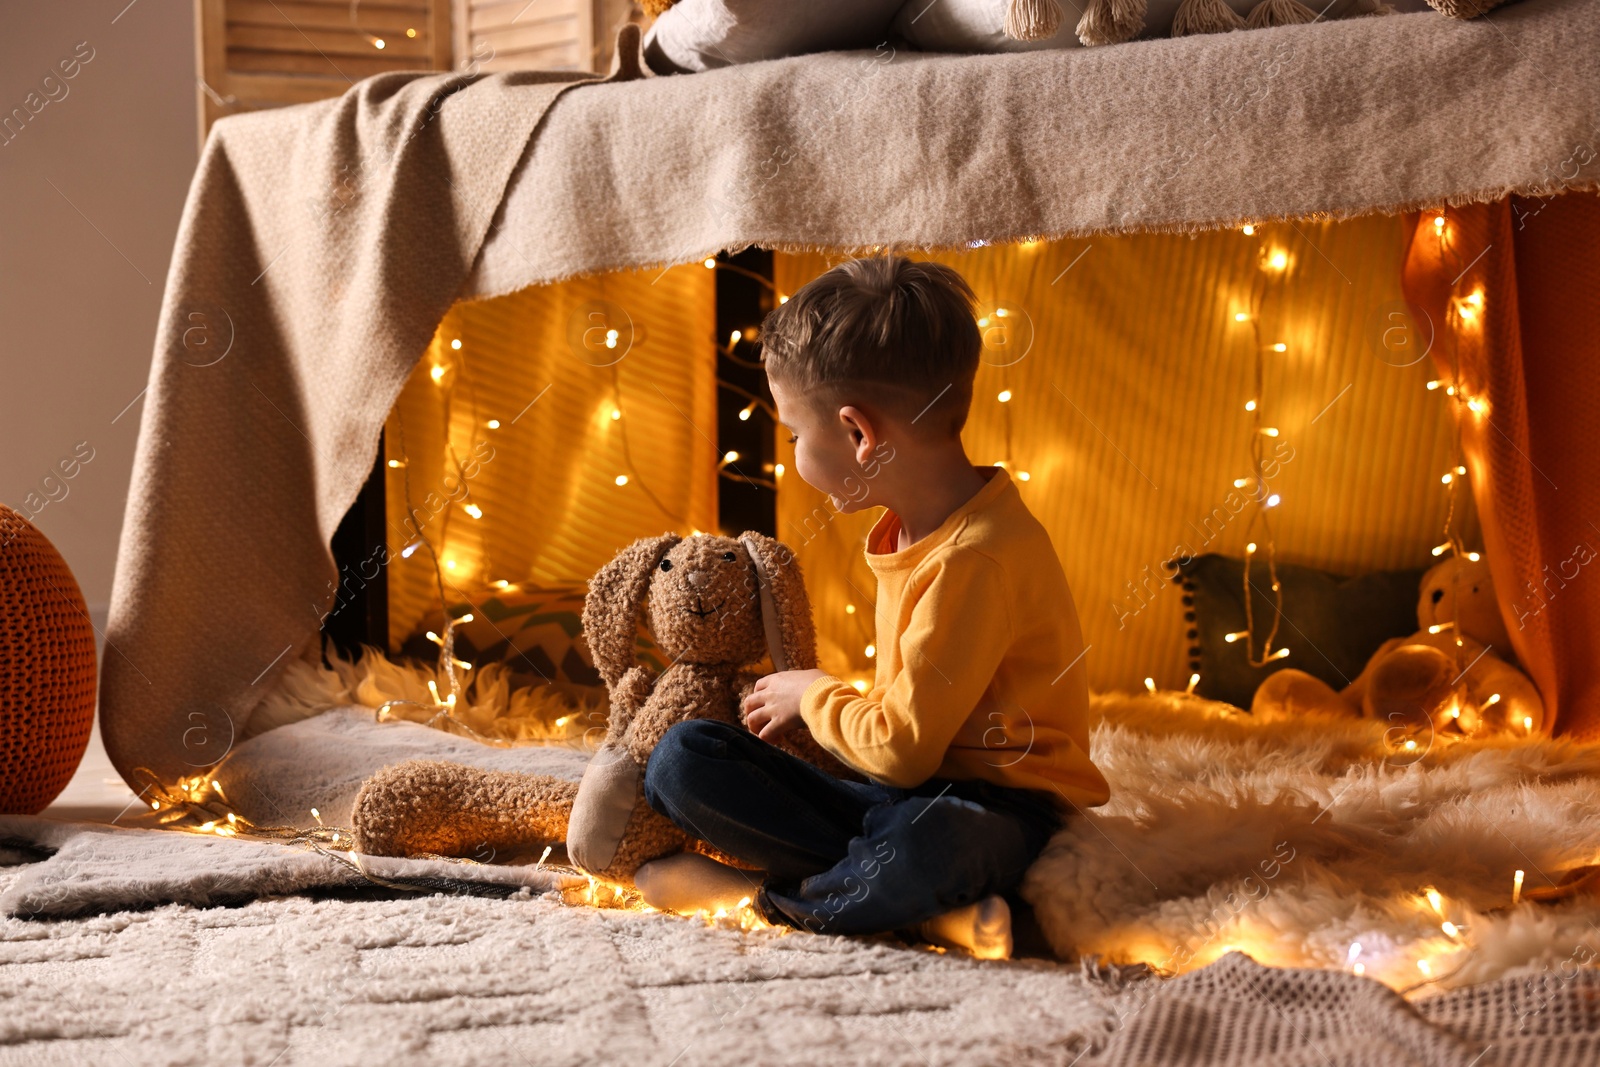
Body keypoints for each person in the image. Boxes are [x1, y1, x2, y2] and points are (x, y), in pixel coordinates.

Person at [638, 255, 1110, 959]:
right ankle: (924, 914)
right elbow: (894, 756)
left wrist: (818, 696)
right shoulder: (913, 525)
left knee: (933, 841)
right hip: (896, 793)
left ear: (859, 434)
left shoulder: (975, 559)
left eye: (796, 432)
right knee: (682, 759)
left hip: (999, 808)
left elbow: (902, 750)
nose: (794, 449)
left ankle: (758, 896)